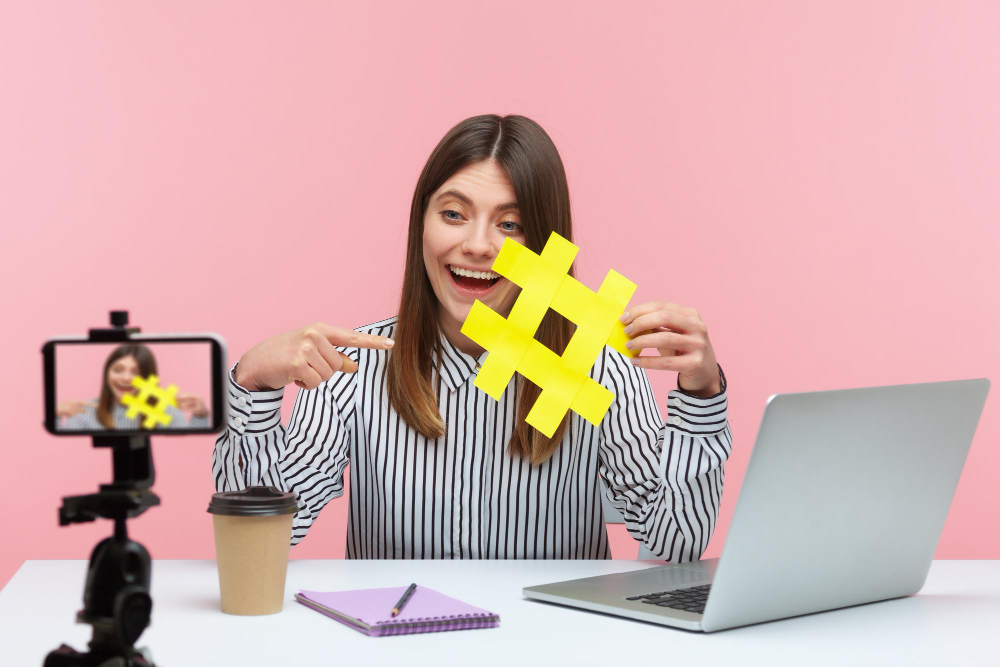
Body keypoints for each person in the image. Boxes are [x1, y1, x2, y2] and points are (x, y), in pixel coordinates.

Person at [213, 114, 731, 561]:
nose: (479, 245)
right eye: (454, 214)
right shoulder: (355, 368)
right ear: (422, 224)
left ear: (549, 246)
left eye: (511, 225)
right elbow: (259, 542)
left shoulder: (594, 366)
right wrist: (252, 386)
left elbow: (677, 544)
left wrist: (702, 394)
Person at [58, 344, 210, 431]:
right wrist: (56, 415)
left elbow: (189, 442)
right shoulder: (85, 410)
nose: (126, 378)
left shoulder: (167, 411)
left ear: (148, 377)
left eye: (136, 372)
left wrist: (200, 415)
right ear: (107, 373)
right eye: (118, 370)